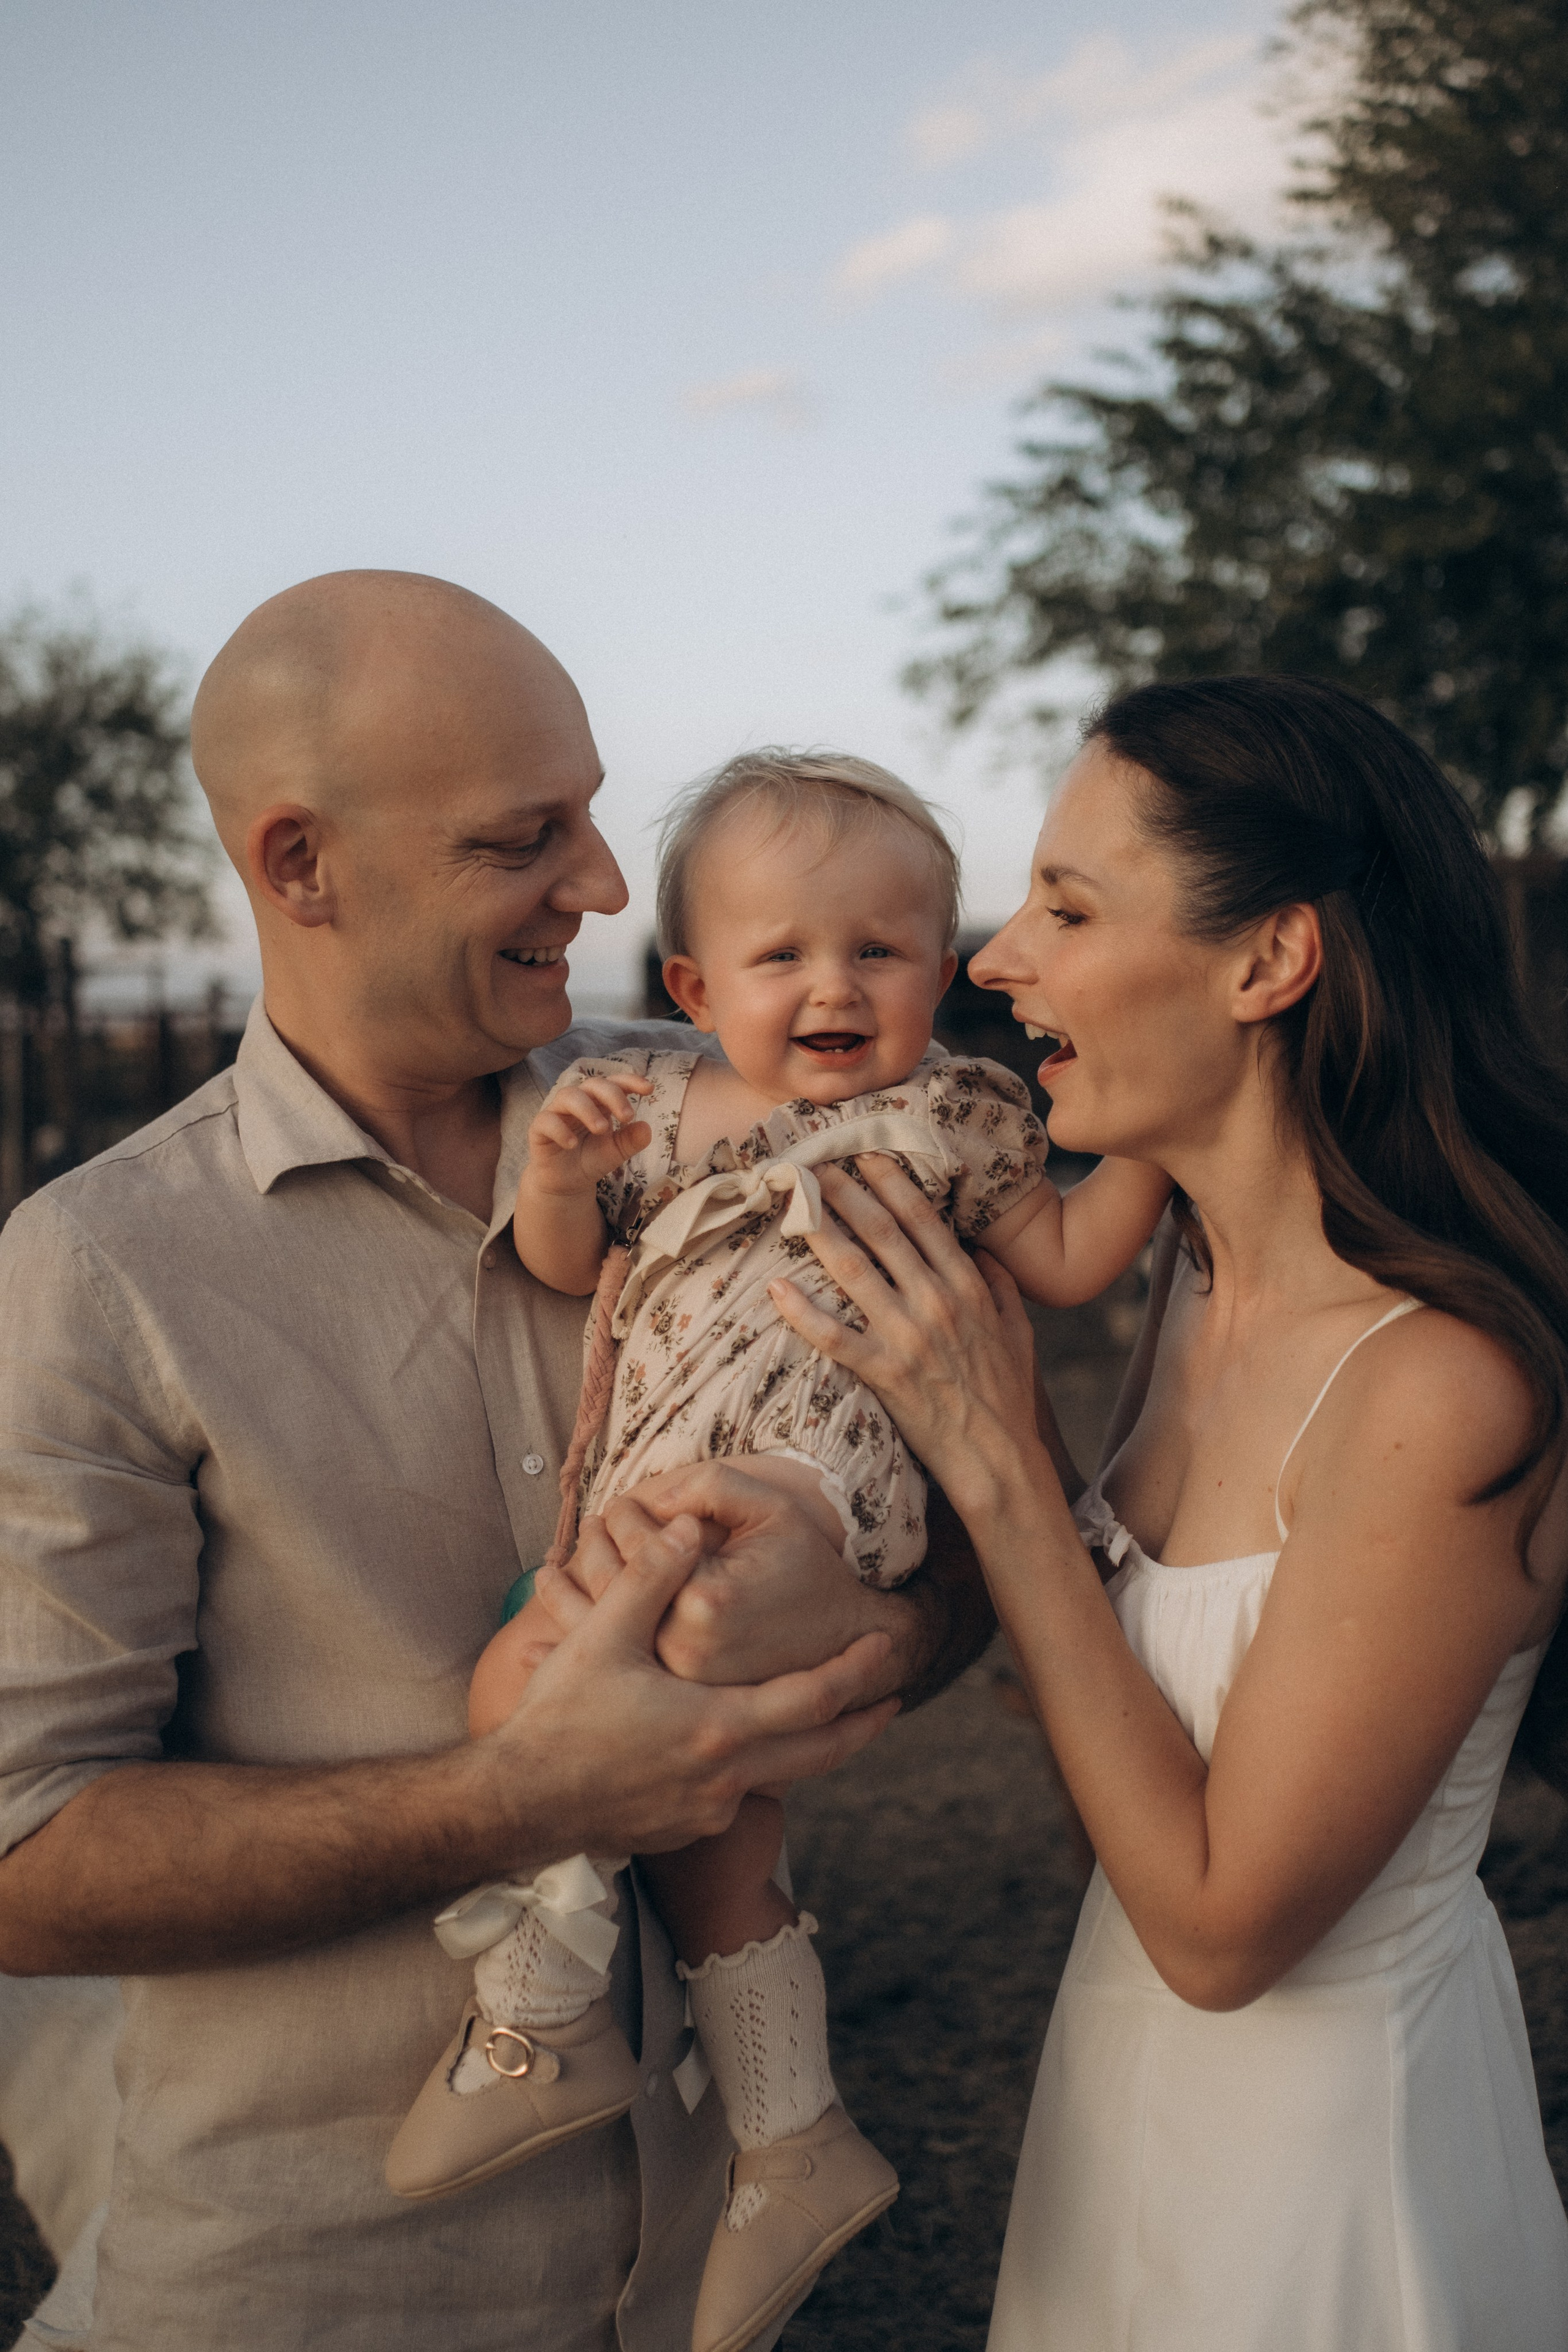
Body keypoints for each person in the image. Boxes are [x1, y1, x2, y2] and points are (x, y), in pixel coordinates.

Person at [0, 571, 993, 2352]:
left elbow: (995, 1514)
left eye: (594, 816)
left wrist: (881, 1624)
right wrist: (522, 1798)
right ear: (300, 865)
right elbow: (26, 1854)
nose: (605, 883)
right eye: (523, 838)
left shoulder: (759, 1113)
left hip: (696, 2281)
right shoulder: (100, 1267)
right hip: (312, 2288)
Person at [769, 676, 1568, 2350]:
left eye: (1068, 907)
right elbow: (1115, 1790)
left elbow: (1218, 1931)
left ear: (1269, 961)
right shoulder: (1194, 1279)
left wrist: (1000, 1452)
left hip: (1331, 2179)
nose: (996, 960)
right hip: (1122, 2096)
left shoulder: (1440, 1388)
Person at [385, 750, 1169, 2352]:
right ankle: (792, 2137)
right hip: (639, 1507)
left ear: (940, 972)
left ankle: (537, 2004)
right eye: (783, 954)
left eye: (881, 950)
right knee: (543, 1716)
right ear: (694, 986)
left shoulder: (956, 1120)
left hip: (822, 1492)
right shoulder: (659, 1110)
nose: (835, 985)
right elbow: (559, 1268)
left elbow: (1076, 1255)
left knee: (675, 1634)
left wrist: (1161, 1121)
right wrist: (558, 1173)